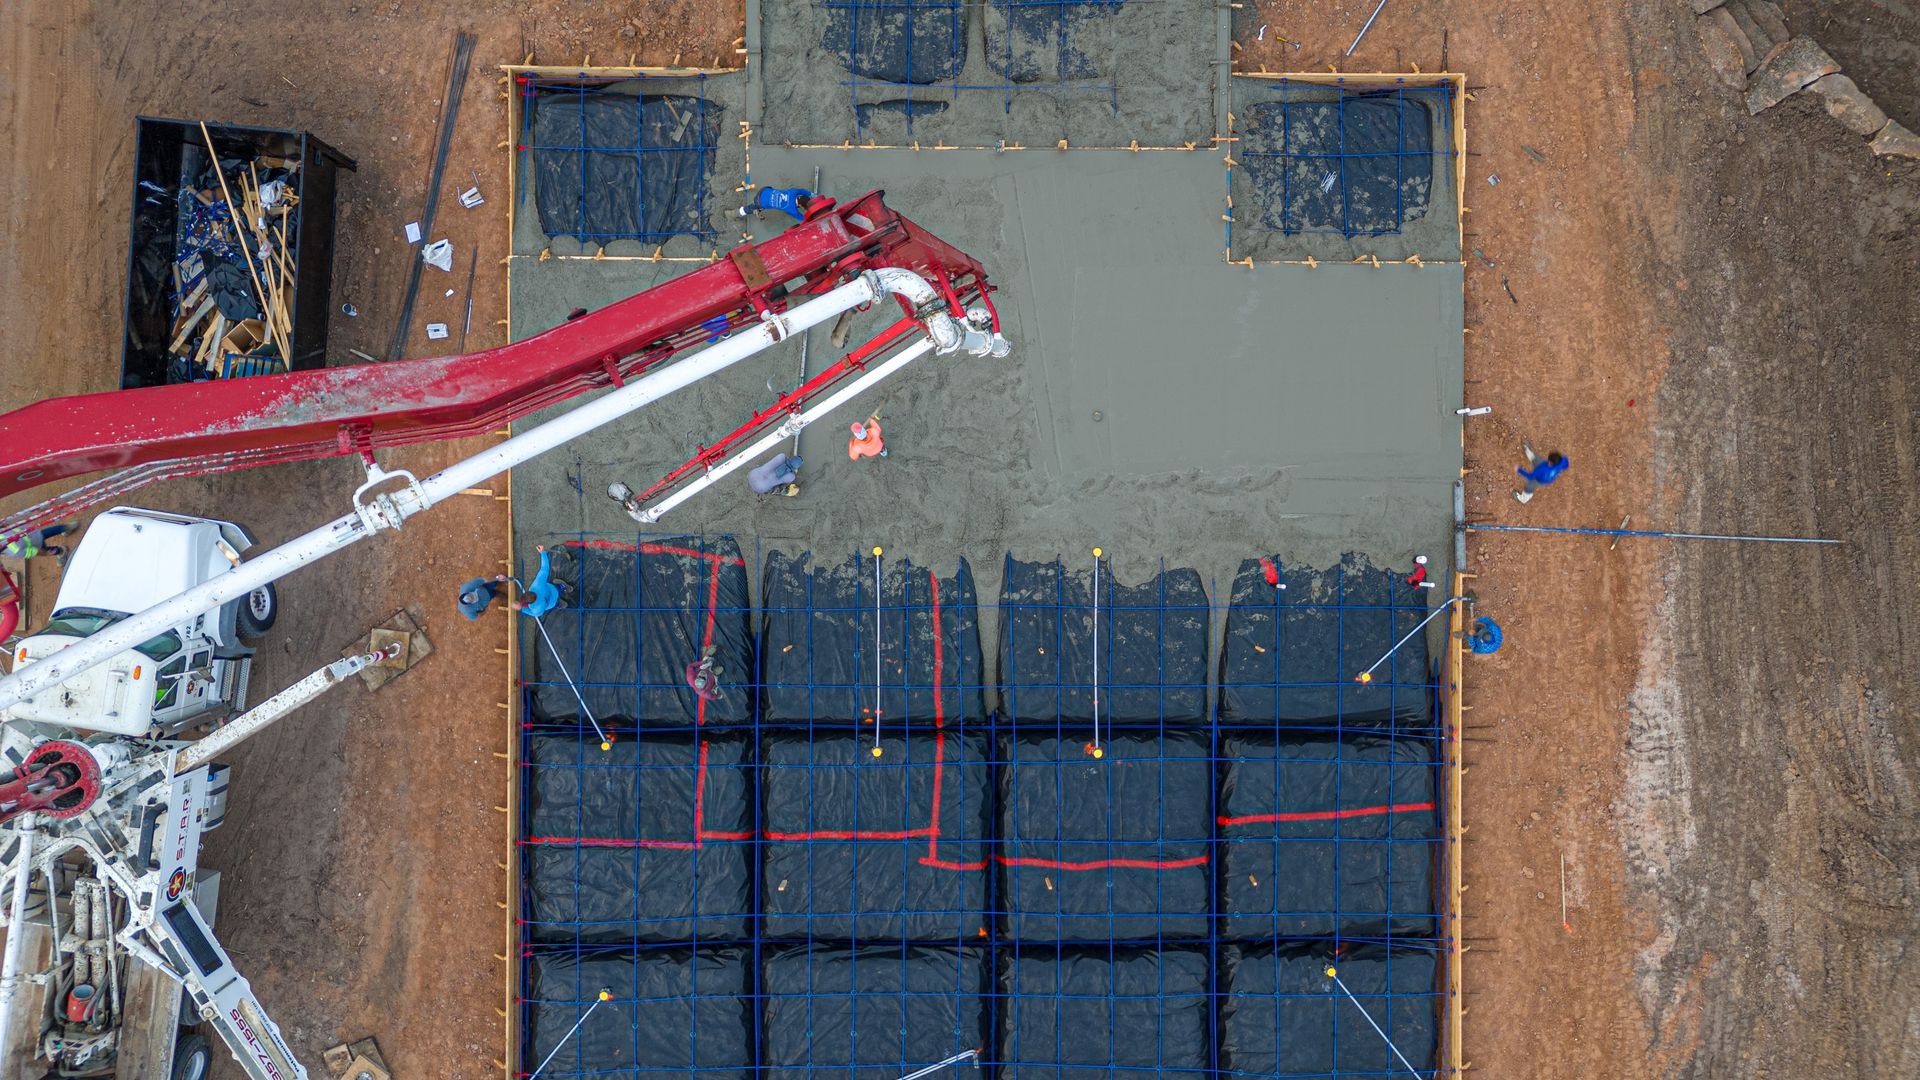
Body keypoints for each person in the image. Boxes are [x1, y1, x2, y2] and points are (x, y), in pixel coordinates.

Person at [515, 544, 572, 618]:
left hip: (551, 603)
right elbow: (544, 569)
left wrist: (522, 609)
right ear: (529, 591)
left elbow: (537, 614)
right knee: (557, 586)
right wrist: (542, 553)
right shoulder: (537, 585)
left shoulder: (535, 608)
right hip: (554, 590)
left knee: (555, 604)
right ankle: (564, 587)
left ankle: (561, 604)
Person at [736, 186, 815, 224]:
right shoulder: (792, 210)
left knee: (772, 195)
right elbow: (804, 218)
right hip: (759, 202)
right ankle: (740, 212)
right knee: (756, 206)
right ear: (800, 206)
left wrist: (811, 194)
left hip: (764, 190)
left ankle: (758, 208)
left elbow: (801, 190)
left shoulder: (793, 192)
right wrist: (813, 218)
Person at [3, 524, 72, 562]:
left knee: (46, 550)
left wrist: (45, 553)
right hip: (31, 531)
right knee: (49, 531)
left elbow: (35, 551)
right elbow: (5, 525)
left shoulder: (14, 552)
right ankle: (66, 528)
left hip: (36, 543)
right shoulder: (1, 534)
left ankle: (60, 551)